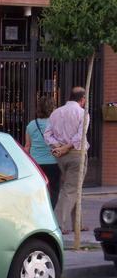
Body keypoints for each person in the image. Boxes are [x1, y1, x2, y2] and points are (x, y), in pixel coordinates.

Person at [44, 86, 90, 235]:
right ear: (82, 99)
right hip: (76, 154)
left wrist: (58, 146)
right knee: (70, 189)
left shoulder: (56, 112)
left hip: (61, 158)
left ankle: (78, 223)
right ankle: (57, 224)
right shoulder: (83, 113)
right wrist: (66, 147)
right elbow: (79, 137)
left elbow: (47, 134)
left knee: (73, 187)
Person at [25, 96, 60, 207]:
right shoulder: (55, 124)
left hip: (36, 164)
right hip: (53, 162)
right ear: (52, 108)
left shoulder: (31, 125)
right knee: (53, 191)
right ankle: (51, 212)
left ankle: (40, 210)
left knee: (38, 190)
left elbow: (27, 146)